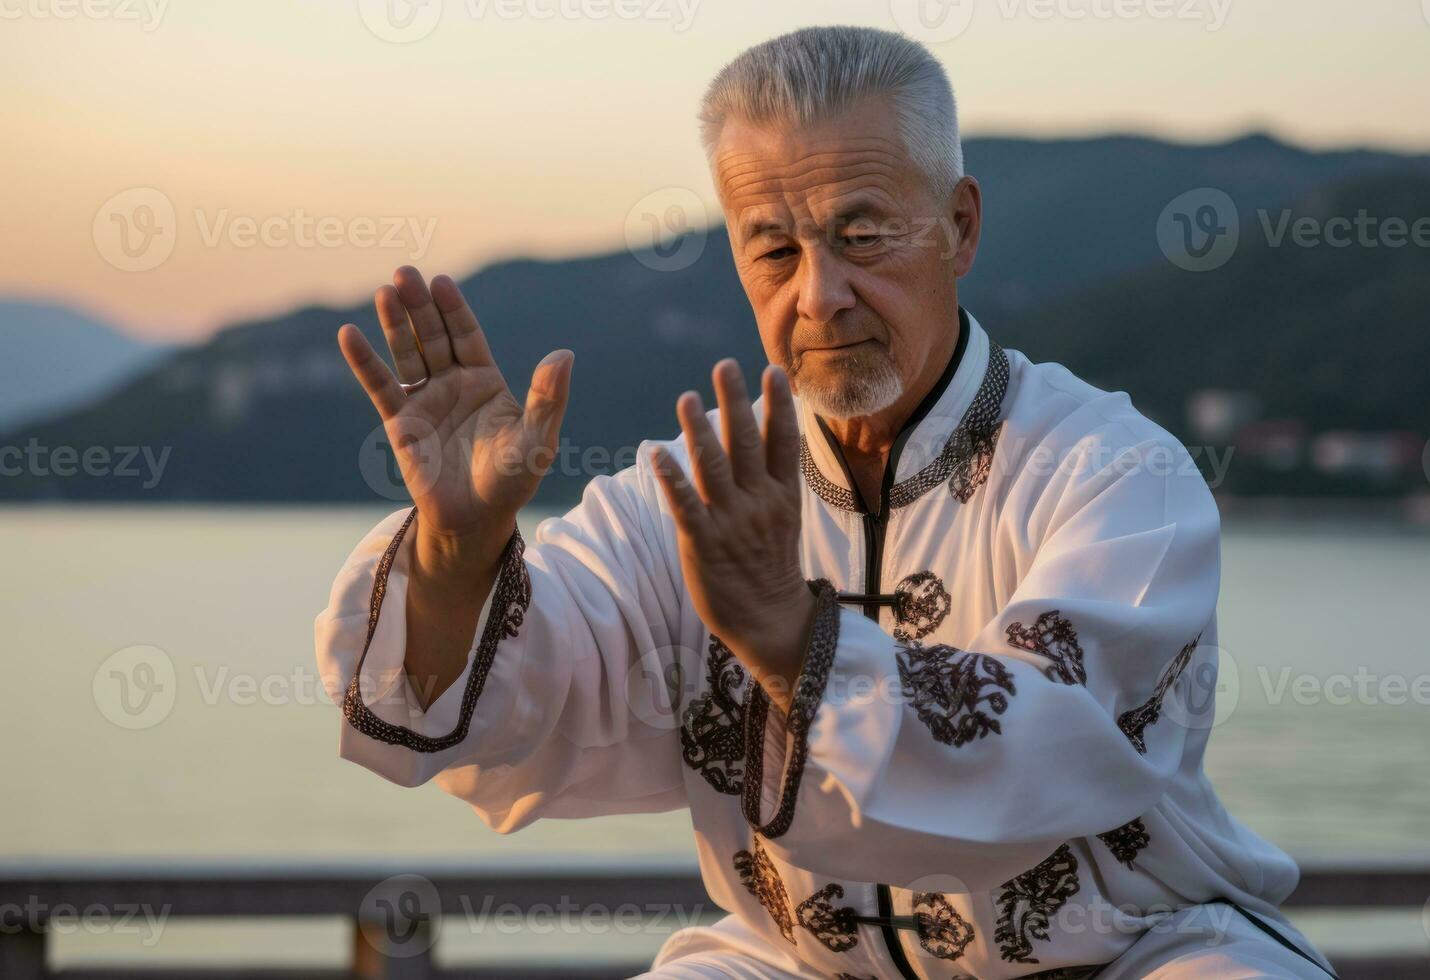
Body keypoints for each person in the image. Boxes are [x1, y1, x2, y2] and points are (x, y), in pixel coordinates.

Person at [316, 25, 1335, 979]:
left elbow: (1047, 747)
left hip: (1127, 958)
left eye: (863, 234)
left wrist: (793, 638)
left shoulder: (1112, 475)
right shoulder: (688, 495)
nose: (819, 294)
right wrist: (459, 548)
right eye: (775, 248)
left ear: (959, 226)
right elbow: (532, 689)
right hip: (795, 960)